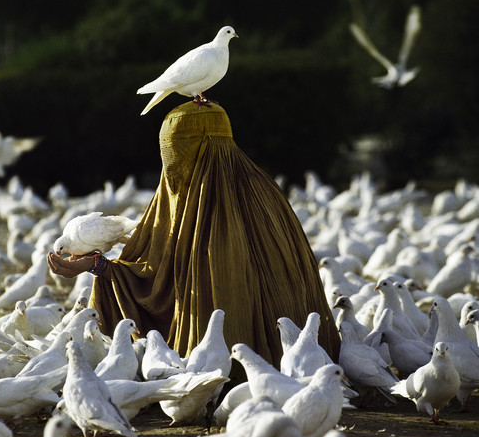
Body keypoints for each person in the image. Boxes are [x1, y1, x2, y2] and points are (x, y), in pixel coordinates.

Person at [47, 102, 340, 373]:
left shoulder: (198, 206)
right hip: (306, 364)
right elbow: (152, 276)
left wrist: (96, 266)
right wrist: (93, 264)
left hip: (212, 367)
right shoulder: (266, 194)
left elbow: (155, 288)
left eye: (177, 153)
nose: (173, 166)